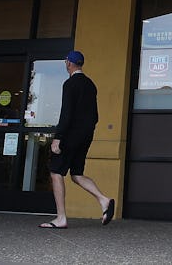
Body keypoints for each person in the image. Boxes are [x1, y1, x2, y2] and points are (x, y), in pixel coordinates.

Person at [39, 50, 114, 229]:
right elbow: (95, 116)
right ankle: (104, 200)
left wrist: (58, 138)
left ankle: (61, 218)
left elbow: (66, 114)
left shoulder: (70, 84)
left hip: (71, 135)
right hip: (86, 135)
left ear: (69, 63)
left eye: (66, 61)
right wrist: (86, 131)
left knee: (56, 172)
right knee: (76, 174)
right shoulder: (91, 84)